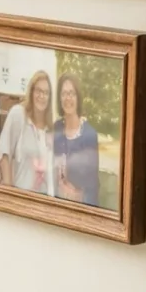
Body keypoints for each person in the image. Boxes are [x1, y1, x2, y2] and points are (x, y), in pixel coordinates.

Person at [0, 70, 53, 196]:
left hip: (41, 200)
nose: (42, 96)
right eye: (38, 91)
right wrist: (9, 193)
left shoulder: (50, 129)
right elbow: (5, 153)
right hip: (18, 195)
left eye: (46, 93)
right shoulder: (18, 114)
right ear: (31, 92)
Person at [52, 74, 100, 208]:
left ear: (78, 97)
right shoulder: (56, 129)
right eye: (64, 93)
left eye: (72, 93)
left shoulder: (89, 135)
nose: (68, 98)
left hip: (79, 208)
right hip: (56, 205)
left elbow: (93, 184)